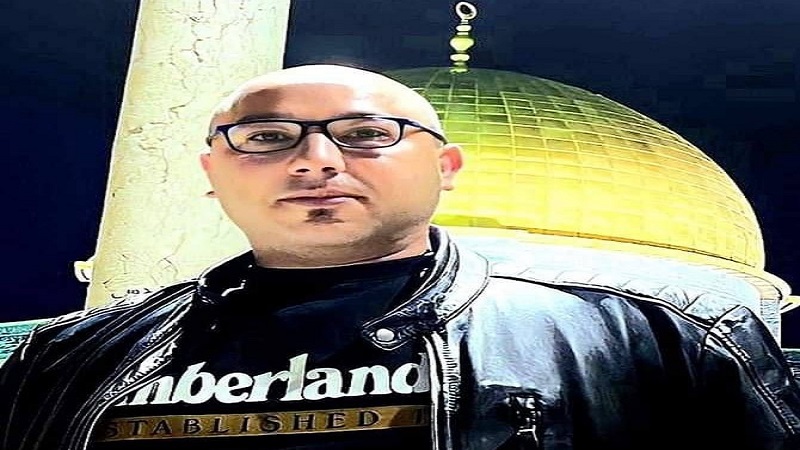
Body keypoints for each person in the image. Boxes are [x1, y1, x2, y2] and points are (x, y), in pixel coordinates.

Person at [1, 64, 799, 450]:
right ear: (211, 173)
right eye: (268, 137)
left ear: (446, 169)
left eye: (366, 135)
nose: (316, 162)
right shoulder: (63, 360)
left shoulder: (652, 343)